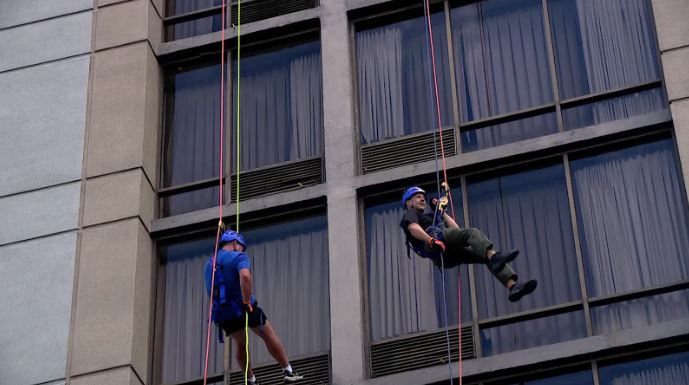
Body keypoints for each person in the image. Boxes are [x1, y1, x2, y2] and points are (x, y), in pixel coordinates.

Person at [400, 184, 537, 302]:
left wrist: (441, 212)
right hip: (435, 242)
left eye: (423, 196)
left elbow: (456, 230)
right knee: (472, 233)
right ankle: (494, 257)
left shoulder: (430, 216)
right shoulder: (411, 213)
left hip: (447, 251)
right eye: (418, 196)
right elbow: (413, 228)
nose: (422, 198)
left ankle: (513, 286)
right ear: (409, 202)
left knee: (483, 255)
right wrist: (430, 240)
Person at [205, 230, 304, 384]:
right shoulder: (239, 257)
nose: (242, 250)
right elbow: (245, 276)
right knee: (268, 333)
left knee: (241, 343)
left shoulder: (209, 264)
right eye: (242, 247)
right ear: (235, 244)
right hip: (243, 306)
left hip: (224, 313)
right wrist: (245, 302)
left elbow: (211, 292)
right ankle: (288, 371)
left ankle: (251, 380)